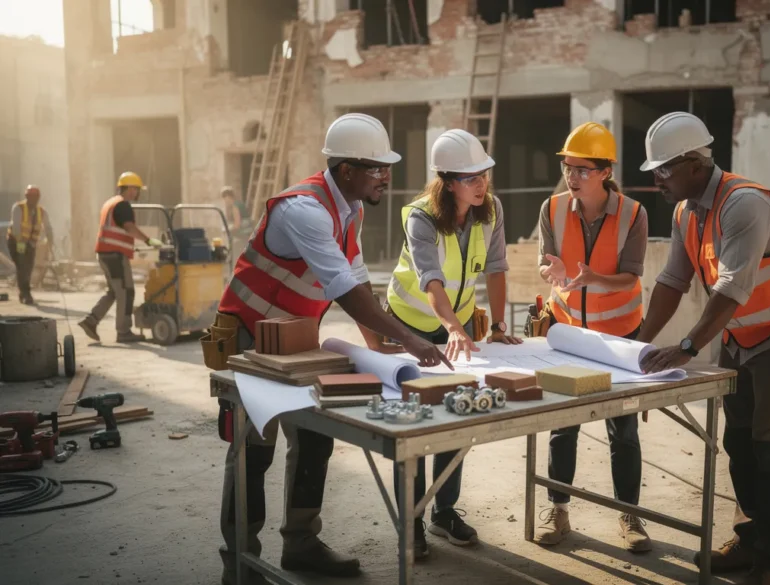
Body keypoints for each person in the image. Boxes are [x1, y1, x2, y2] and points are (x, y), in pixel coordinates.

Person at [211, 113, 450, 585]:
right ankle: (240, 562)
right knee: (253, 449)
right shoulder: (304, 209)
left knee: (316, 435)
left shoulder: (351, 209)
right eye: (376, 168)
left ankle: (300, 544)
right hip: (247, 335)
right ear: (345, 170)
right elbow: (343, 288)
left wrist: (378, 349)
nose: (386, 176)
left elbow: (357, 275)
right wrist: (408, 337)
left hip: (295, 337)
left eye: (386, 167)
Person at [636, 112, 770, 585]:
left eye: (664, 169)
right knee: (740, 443)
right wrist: (638, 342)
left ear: (695, 164)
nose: (657, 179)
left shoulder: (744, 204)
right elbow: (672, 281)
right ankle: (750, 540)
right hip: (742, 338)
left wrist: (685, 346)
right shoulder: (686, 211)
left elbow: (731, 290)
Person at [383, 128, 522, 560]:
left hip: (454, 327)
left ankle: (443, 513)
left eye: (484, 174)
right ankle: (412, 523)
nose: (481, 184)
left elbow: (497, 268)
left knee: (455, 419)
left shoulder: (491, 208)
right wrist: (453, 328)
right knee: (414, 426)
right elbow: (431, 279)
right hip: (410, 327)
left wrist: (497, 325)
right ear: (447, 182)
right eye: (470, 178)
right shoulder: (419, 216)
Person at [534, 122, 651, 553]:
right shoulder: (551, 209)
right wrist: (554, 273)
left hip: (619, 334)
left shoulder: (634, 214)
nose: (572, 176)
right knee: (563, 427)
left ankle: (630, 516)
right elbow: (545, 264)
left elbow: (630, 278)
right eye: (568, 166)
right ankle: (558, 509)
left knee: (622, 429)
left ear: (604, 172)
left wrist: (591, 278)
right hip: (568, 333)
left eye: (582, 169)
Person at [78, 172, 163, 343]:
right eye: (137, 189)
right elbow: (129, 227)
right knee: (126, 291)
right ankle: (123, 332)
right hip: (114, 255)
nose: (138, 193)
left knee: (114, 291)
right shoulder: (123, 205)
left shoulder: (110, 203)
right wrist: (148, 240)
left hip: (105, 254)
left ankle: (91, 321)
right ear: (131, 189)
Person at [6, 185, 53, 304]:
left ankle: (23, 292)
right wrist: (23, 244)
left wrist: (50, 242)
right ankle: (26, 293)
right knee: (22, 266)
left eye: (35, 197)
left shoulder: (41, 211)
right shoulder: (19, 208)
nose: (33, 199)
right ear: (26, 197)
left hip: (30, 243)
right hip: (16, 241)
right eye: (30, 197)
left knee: (28, 266)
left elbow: (48, 228)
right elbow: (16, 229)